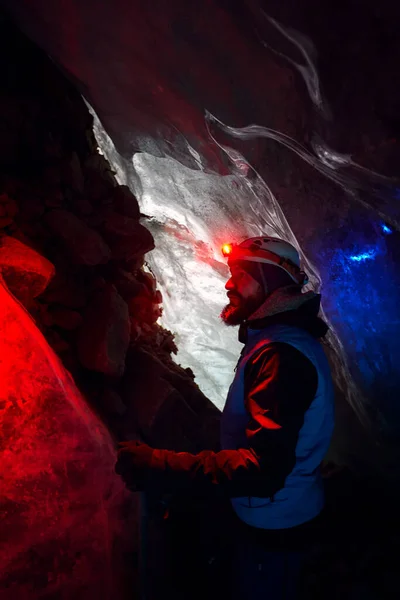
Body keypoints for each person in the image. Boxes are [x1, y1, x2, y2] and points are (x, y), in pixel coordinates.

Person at [115, 235, 335, 599]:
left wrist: (159, 465)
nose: (229, 283)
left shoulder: (281, 356)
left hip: (273, 525)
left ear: (271, 282)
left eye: (241, 274)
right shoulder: (279, 341)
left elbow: (262, 471)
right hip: (277, 512)